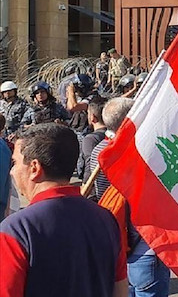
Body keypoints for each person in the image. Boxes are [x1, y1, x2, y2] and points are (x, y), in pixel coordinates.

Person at [0, 123, 128, 297]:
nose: (12, 171)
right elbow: (120, 290)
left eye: (15, 163)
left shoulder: (16, 230)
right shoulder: (105, 219)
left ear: (34, 168)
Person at [88, 97, 171, 296]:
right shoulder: (143, 152)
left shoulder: (98, 151)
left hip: (115, 243)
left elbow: (96, 195)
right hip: (146, 244)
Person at [80, 97, 107, 197]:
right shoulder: (115, 135)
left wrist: (84, 187)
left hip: (96, 191)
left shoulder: (90, 139)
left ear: (92, 117)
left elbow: (89, 164)